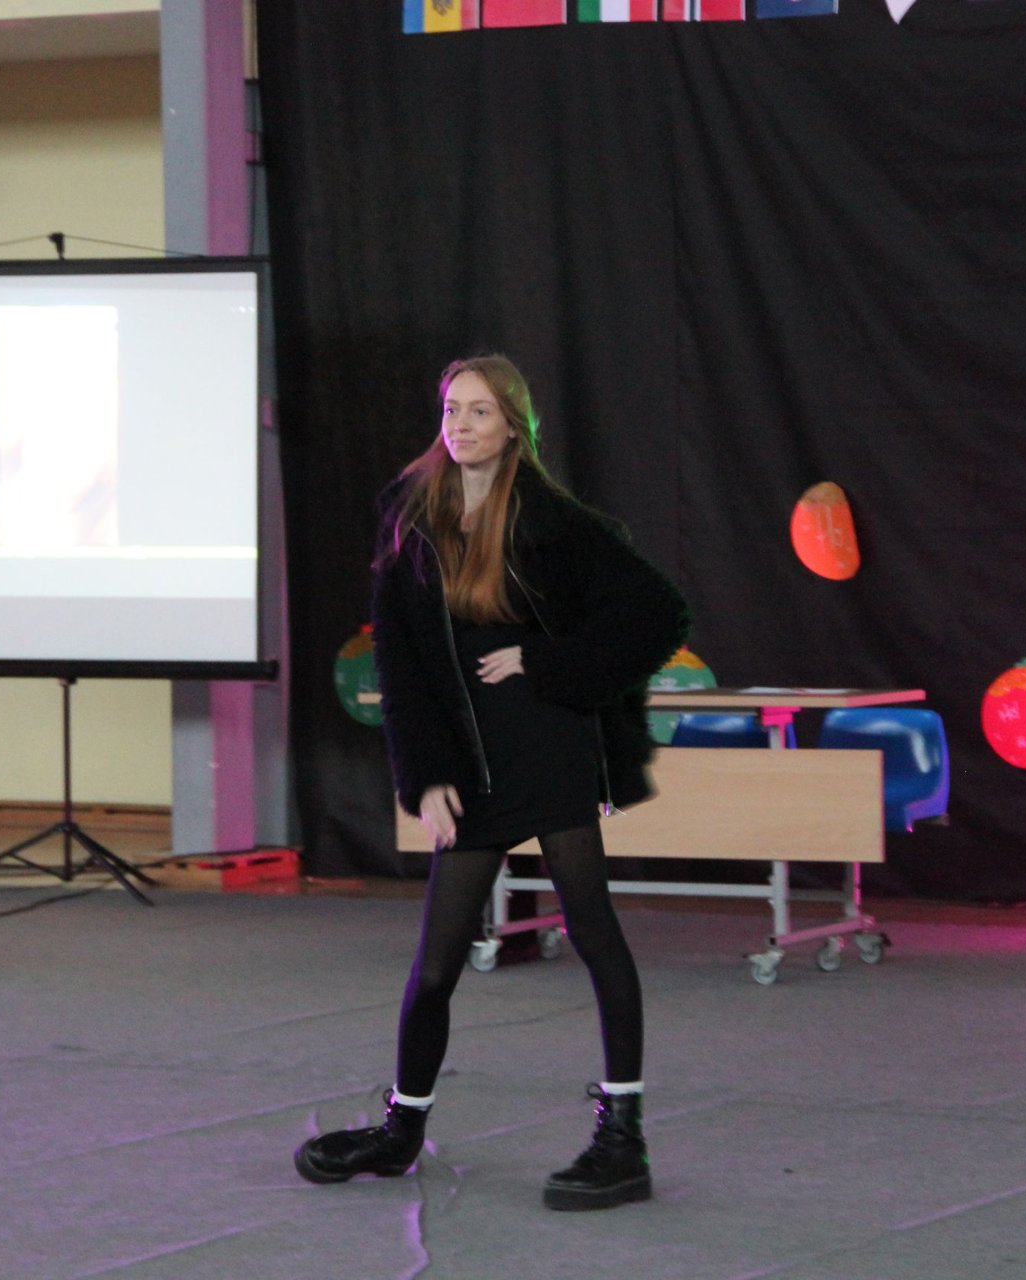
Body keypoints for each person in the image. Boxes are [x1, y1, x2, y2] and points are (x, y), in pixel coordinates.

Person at [293, 354, 690, 1209]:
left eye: (479, 411)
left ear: (514, 426)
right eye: (452, 409)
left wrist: (550, 660)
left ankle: (623, 1139)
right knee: (437, 963)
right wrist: (424, 774)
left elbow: (658, 612)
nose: (462, 425)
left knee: (594, 933)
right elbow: (400, 663)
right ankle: (402, 1128)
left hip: (548, 749)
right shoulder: (413, 517)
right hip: (471, 767)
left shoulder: (554, 521)